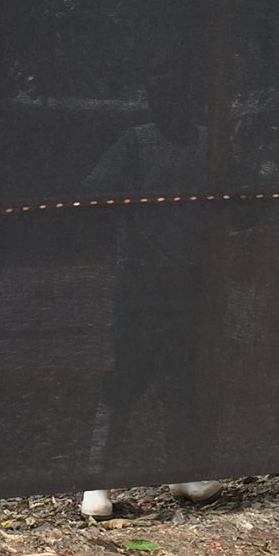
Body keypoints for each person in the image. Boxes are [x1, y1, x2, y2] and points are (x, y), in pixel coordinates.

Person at [78, 93, 221, 518]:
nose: (171, 106)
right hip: (139, 278)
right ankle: (96, 483)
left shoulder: (208, 143)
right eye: (163, 97)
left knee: (182, 374)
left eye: (179, 96)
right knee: (126, 374)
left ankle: (184, 474)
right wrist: (140, 215)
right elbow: (94, 191)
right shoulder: (135, 142)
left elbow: (238, 203)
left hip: (191, 278)